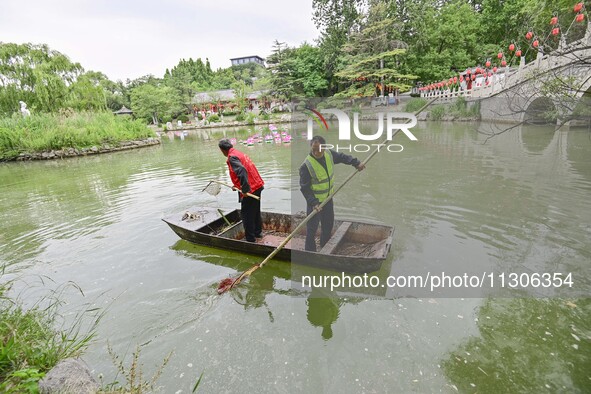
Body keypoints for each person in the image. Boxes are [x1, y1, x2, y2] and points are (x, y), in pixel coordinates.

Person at [299, 135, 365, 252]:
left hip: (328, 199)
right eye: (313, 149)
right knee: (312, 229)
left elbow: (343, 157)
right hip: (315, 203)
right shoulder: (306, 166)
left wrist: (356, 163)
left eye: (318, 149)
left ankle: (325, 247)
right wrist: (313, 203)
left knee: (328, 224)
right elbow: (305, 188)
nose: (316, 152)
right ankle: (310, 252)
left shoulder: (329, 154)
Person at [218, 139, 264, 242]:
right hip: (257, 185)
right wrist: (236, 186)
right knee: (255, 211)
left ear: (222, 150)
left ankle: (250, 239)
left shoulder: (232, 158)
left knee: (246, 215)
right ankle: (258, 233)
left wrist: (245, 190)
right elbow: (242, 172)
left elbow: (242, 171)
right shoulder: (238, 153)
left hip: (250, 190)